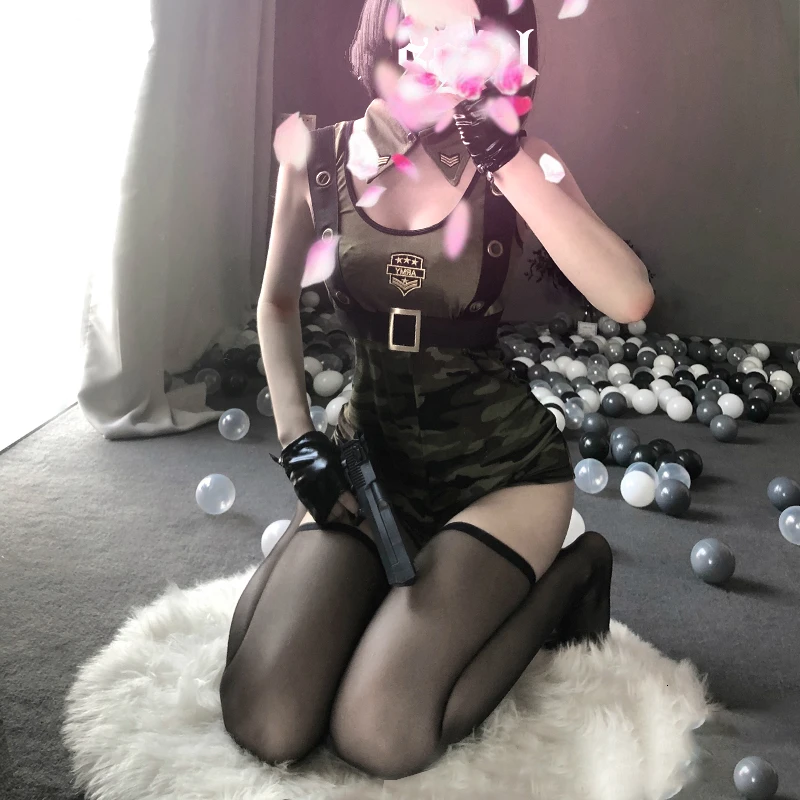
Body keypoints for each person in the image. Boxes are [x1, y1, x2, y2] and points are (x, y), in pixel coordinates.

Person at [219, 0, 655, 782]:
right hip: (369, 466)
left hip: (501, 477)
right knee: (266, 717)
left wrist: (507, 159)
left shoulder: (524, 160)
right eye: (413, 21)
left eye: (456, 30)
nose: (428, 46)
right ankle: (373, 591)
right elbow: (276, 304)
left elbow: (629, 297)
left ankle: (571, 577)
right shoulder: (317, 155)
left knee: (381, 735)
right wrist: (299, 443)